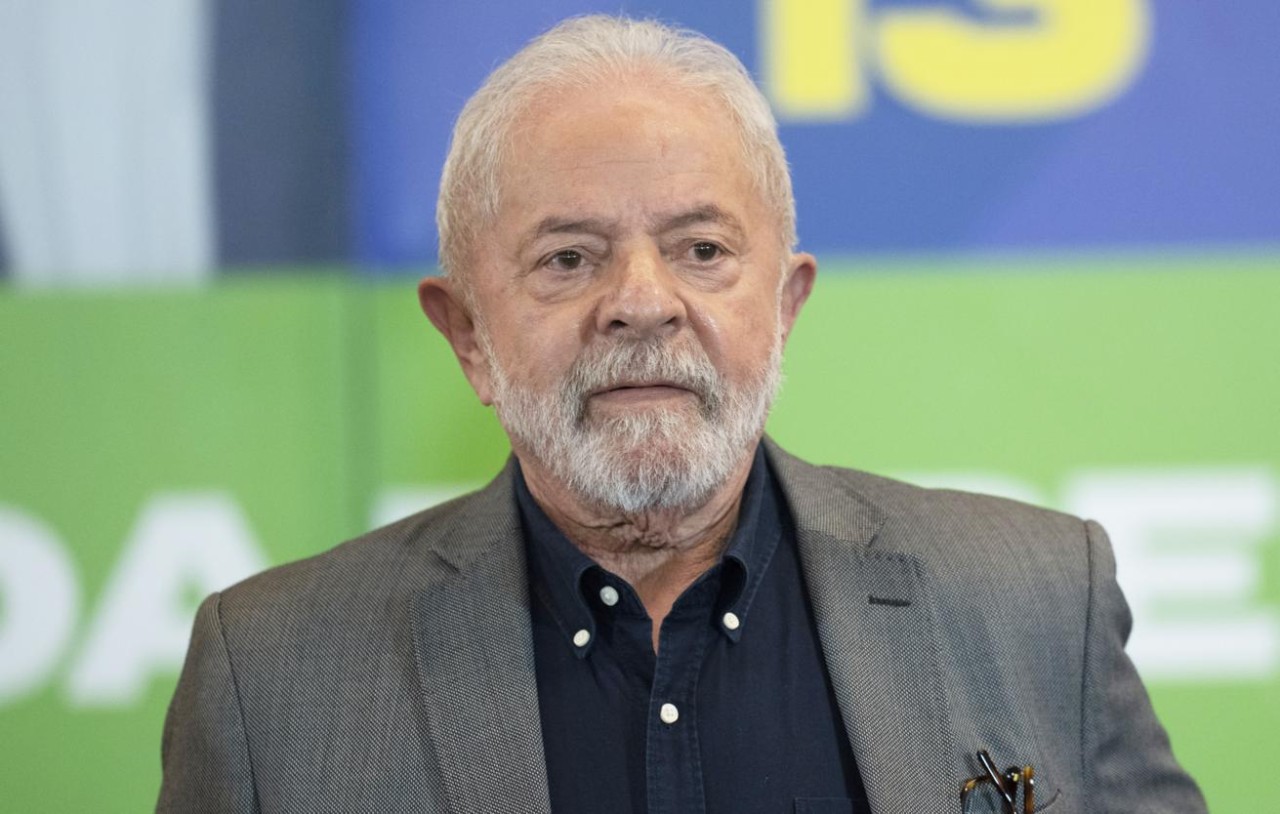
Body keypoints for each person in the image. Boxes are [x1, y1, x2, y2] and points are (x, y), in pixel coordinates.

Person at [158, 15, 1206, 814]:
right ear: (467, 334)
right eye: (568, 258)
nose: (642, 301)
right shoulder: (273, 678)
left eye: (701, 250)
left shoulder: (1036, 602)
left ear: (784, 305)